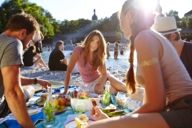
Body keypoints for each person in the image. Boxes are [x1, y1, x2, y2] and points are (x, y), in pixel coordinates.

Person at [88, 0, 192, 128]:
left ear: (130, 15)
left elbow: (155, 104)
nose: (120, 26)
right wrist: (111, 119)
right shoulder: (149, 36)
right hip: (178, 110)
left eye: (120, 20)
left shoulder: (144, 37)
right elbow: (154, 103)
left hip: (184, 111)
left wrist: (117, 121)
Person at [0, 13, 51, 128]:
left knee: (29, 87)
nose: (28, 46)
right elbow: (12, 91)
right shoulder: (14, 43)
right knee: (29, 91)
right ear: (23, 33)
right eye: (30, 40)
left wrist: (37, 80)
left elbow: (8, 79)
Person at [64, 30, 126, 94]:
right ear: (88, 40)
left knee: (125, 89)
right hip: (89, 84)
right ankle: (117, 88)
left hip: (103, 78)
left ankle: (129, 89)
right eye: (92, 40)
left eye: (97, 42)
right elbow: (69, 71)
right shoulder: (78, 50)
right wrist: (65, 90)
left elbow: (104, 73)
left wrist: (101, 85)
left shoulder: (99, 54)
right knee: (112, 90)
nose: (94, 44)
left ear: (100, 44)